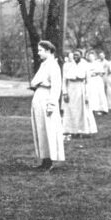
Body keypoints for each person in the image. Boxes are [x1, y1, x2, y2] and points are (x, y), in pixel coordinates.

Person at [29, 41, 64, 169]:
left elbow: (56, 87)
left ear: (48, 50)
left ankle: (50, 161)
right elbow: (35, 82)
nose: (38, 53)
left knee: (48, 129)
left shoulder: (53, 66)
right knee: (40, 129)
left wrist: (51, 105)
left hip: (46, 98)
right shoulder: (44, 65)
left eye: (40, 50)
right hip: (39, 97)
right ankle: (44, 159)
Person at [61, 49, 99, 138]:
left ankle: (83, 130)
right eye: (74, 55)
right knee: (71, 110)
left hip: (81, 88)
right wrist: (65, 93)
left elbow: (88, 81)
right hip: (71, 88)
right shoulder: (67, 65)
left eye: (77, 55)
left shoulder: (85, 65)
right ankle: (71, 130)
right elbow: (64, 80)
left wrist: (87, 95)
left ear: (81, 56)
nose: (75, 57)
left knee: (82, 110)